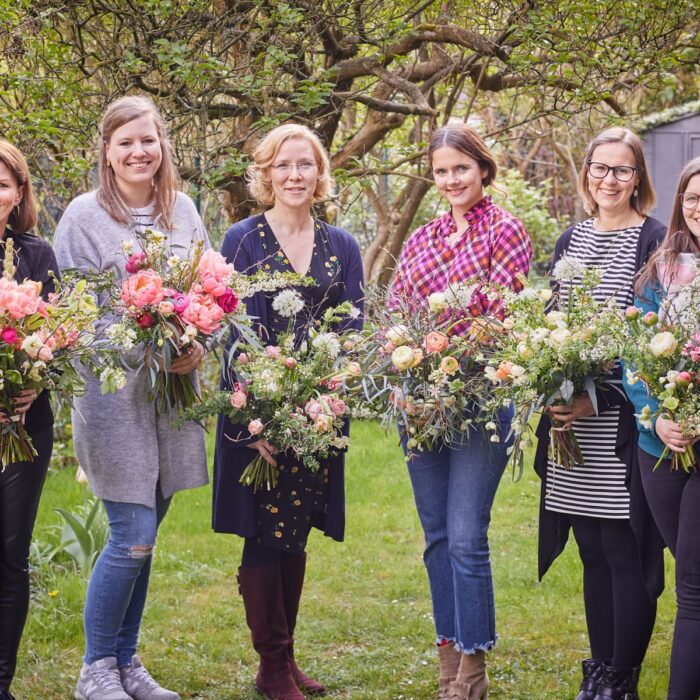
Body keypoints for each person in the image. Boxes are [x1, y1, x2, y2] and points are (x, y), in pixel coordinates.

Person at [53, 95, 208, 700]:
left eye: (148, 140)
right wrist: (143, 343)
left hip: (172, 399)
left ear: (162, 145)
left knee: (147, 540)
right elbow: (77, 318)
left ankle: (126, 663)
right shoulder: (83, 218)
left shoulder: (184, 212)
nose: (139, 152)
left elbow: (208, 292)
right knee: (132, 536)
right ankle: (95, 669)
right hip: (112, 400)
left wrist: (197, 342)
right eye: (126, 143)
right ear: (108, 153)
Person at [212, 123, 364, 700]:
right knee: (263, 533)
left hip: (321, 413)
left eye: (305, 165)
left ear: (320, 173)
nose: (295, 175)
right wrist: (249, 417)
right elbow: (228, 329)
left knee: (295, 532)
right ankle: (271, 664)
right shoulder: (242, 240)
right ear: (266, 174)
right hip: (256, 411)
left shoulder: (341, 245)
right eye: (283, 165)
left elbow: (353, 330)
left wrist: (328, 396)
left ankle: (286, 656)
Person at [389, 124, 532, 700]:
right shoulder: (422, 239)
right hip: (419, 404)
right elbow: (396, 311)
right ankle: (447, 654)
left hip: (480, 402)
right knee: (437, 536)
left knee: (468, 535)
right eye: (442, 171)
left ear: (483, 170)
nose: (451, 180)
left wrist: (435, 349)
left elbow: (497, 318)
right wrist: (407, 366)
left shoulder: (507, 231)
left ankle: (474, 663)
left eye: (461, 169)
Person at [534, 127, 666, 700]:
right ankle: (598, 671)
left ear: (638, 178)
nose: (608, 180)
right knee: (589, 549)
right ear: (586, 172)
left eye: (622, 170)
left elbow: (653, 339)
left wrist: (600, 395)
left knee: (624, 551)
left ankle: (623, 677)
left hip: (622, 424)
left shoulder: (655, 240)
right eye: (599, 168)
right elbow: (553, 318)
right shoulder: (571, 239)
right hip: (572, 425)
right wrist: (551, 381)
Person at [624, 156, 700, 700]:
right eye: (694, 198)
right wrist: (662, 414)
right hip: (661, 447)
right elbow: (635, 358)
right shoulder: (662, 268)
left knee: (694, 587)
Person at [0, 140, 59, 700]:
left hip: (23, 424)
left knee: (10, 554)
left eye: (1, 184)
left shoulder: (36, 254)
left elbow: (62, 337)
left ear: (18, 194)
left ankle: (1, 681)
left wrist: (34, 377)